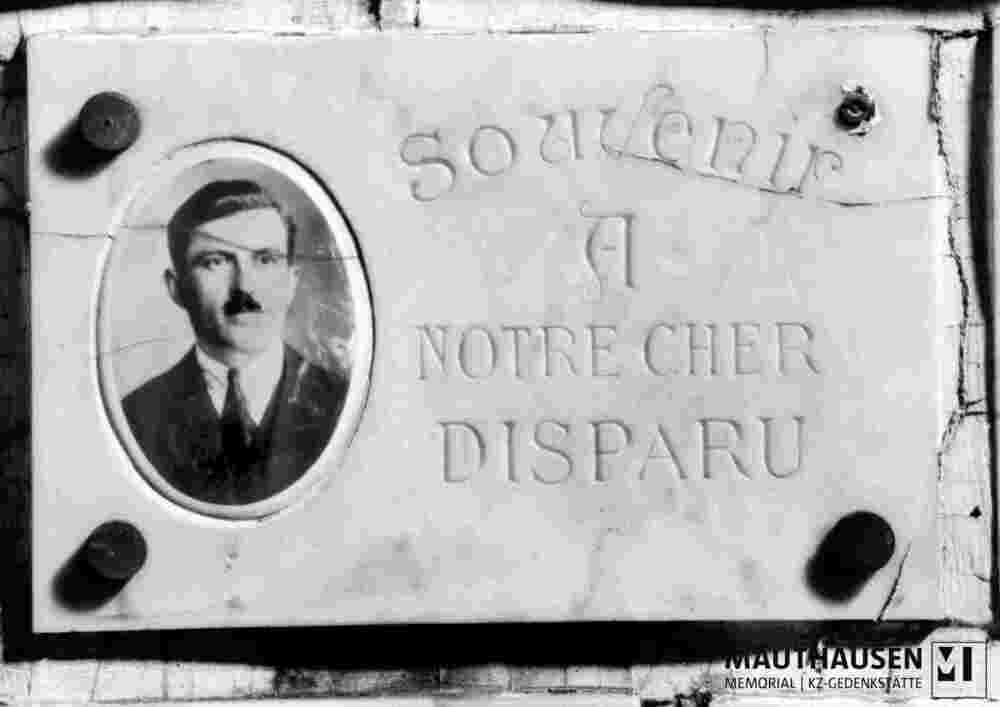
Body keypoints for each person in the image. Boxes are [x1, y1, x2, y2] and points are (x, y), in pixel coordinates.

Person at [122, 180, 348, 506]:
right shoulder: (138, 418)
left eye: (266, 259)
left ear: (291, 281)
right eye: (216, 261)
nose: (245, 288)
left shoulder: (340, 403)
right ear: (176, 288)